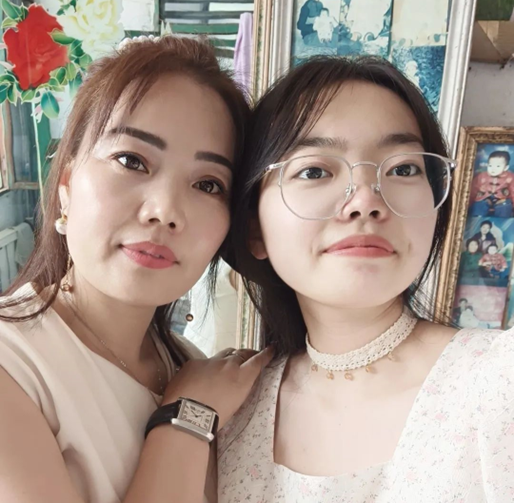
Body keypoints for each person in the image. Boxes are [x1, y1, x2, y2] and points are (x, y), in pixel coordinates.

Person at [216, 56, 514, 500]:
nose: (365, 201)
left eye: (403, 169)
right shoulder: (229, 413)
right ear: (254, 227)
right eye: (314, 171)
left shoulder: (500, 381)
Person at [0, 35, 272, 503]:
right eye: (132, 160)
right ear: (66, 187)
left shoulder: (189, 365)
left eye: (208, 184)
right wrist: (187, 418)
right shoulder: (15, 366)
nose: (165, 211)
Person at [470, 150, 514, 217]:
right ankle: (477, 219)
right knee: (478, 205)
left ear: (506, 167)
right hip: (484, 198)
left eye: (498, 166)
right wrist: (468, 203)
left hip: (502, 200)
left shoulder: (510, 177)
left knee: (505, 206)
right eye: (490, 165)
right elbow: (473, 190)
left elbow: (513, 191)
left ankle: (502, 220)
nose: (493, 169)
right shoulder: (481, 176)